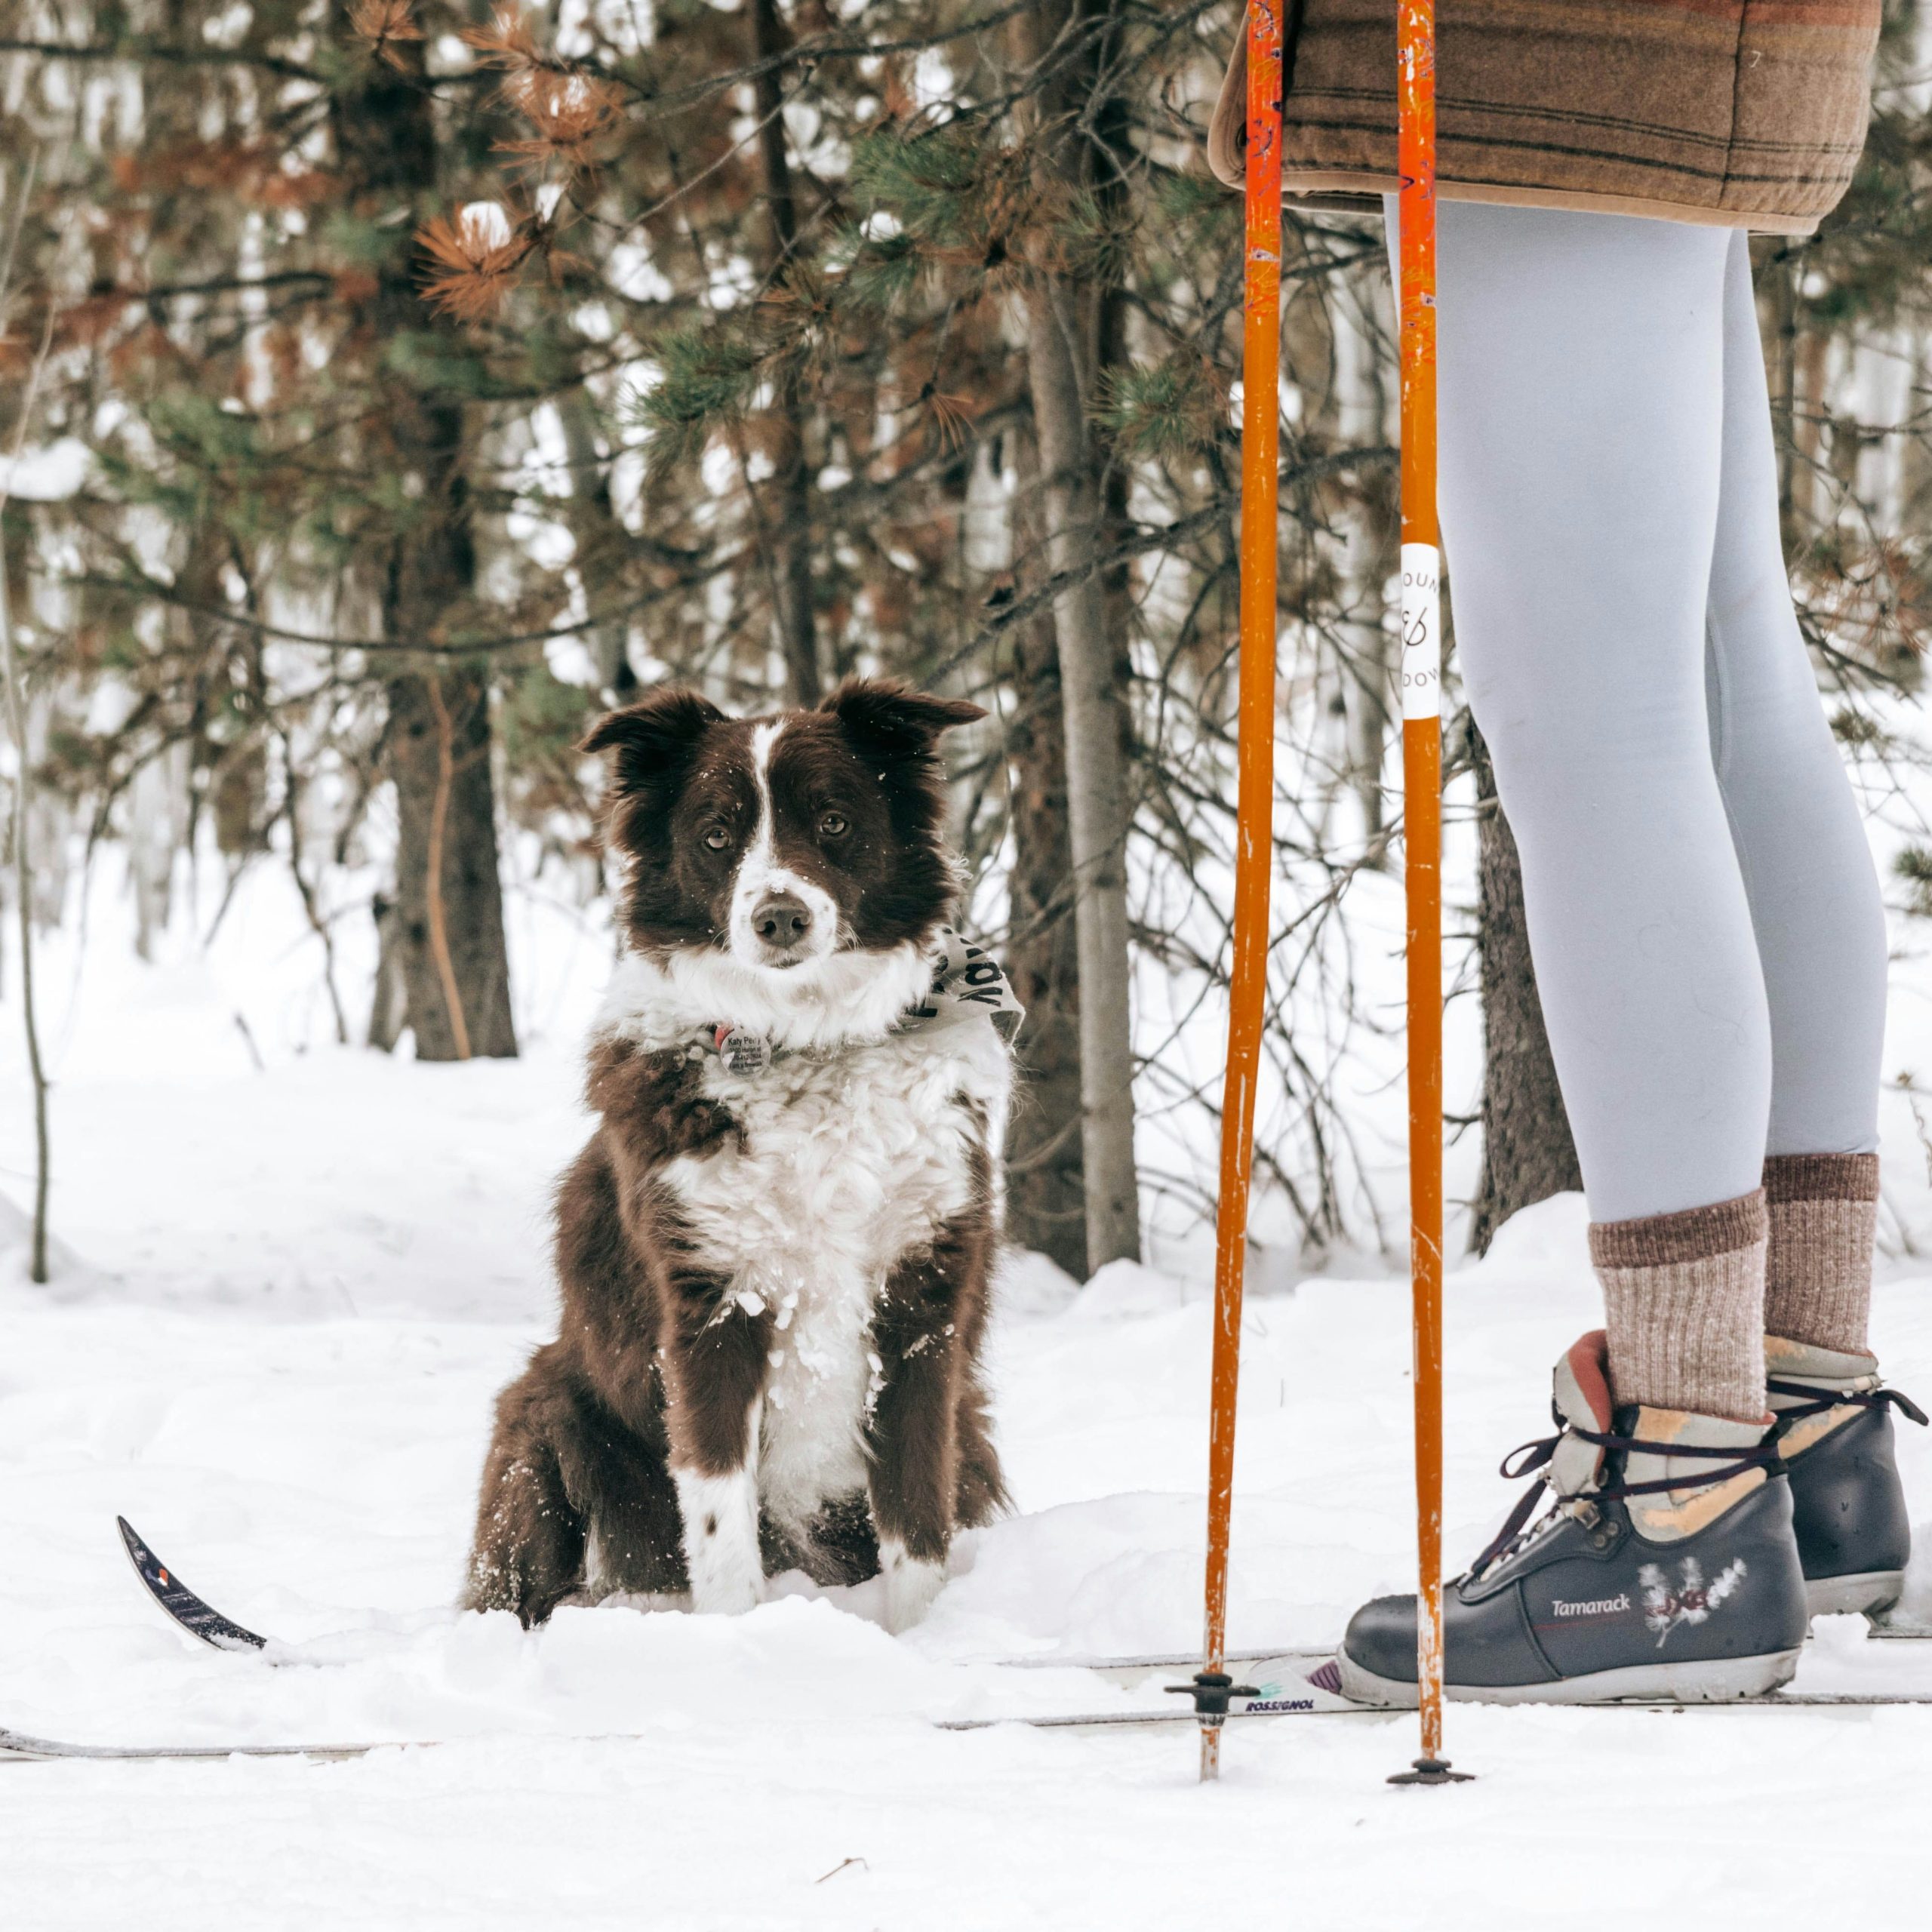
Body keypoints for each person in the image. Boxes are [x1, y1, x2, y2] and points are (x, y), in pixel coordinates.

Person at [1211, 2, 1925, 1703]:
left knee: (1592, 712)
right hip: (1684, 46)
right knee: (1712, 658)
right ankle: (1792, 1413)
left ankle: (1679, 1489)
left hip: (1544, 49)